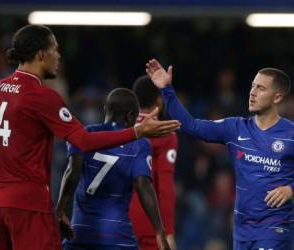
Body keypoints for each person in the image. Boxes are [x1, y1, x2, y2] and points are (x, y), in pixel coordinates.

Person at [0, 25, 180, 250]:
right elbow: (82, 141)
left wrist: (62, 205)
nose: (59, 56)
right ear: (41, 54)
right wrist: (137, 132)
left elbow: (73, 169)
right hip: (28, 204)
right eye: (55, 49)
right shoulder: (41, 97)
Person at [146, 59, 294, 250]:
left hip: (275, 229)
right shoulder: (235, 127)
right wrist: (167, 90)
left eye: (261, 88)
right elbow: (191, 126)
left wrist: (291, 189)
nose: (253, 93)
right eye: (252, 86)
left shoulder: (290, 134)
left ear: (277, 98)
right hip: (241, 231)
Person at [57, 88, 171, 250]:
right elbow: (142, 185)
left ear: (105, 110)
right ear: (130, 116)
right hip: (117, 238)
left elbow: (72, 172)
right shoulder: (139, 143)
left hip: (79, 233)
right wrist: (159, 230)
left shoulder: (85, 134)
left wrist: (60, 210)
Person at [129, 75, 178, 250]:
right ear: (159, 99)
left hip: (116, 219)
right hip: (147, 221)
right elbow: (164, 187)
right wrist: (168, 231)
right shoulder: (165, 133)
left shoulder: (121, 129)